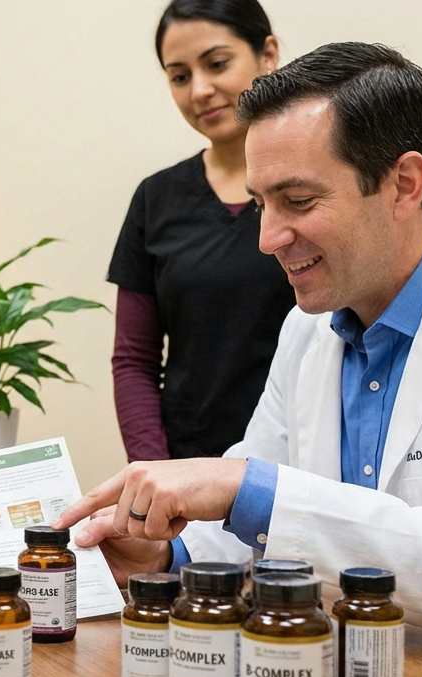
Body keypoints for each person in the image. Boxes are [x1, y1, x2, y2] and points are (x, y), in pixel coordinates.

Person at [57, 43, 422, 673]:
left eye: (297, 201)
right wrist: (163, 556)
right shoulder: (308, 332)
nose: (267, 239)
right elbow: (253, 531)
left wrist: (244, 488)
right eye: (261, 204)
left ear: (404, 184)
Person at [109, 0, 295, 462]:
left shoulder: (317, 187)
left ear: (267, 54)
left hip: (303, 474)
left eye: (217, 64)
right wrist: (154, 475)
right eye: (179, 75)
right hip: (187, 476)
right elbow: (134, 360)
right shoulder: (156, 199)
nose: (200, 90)